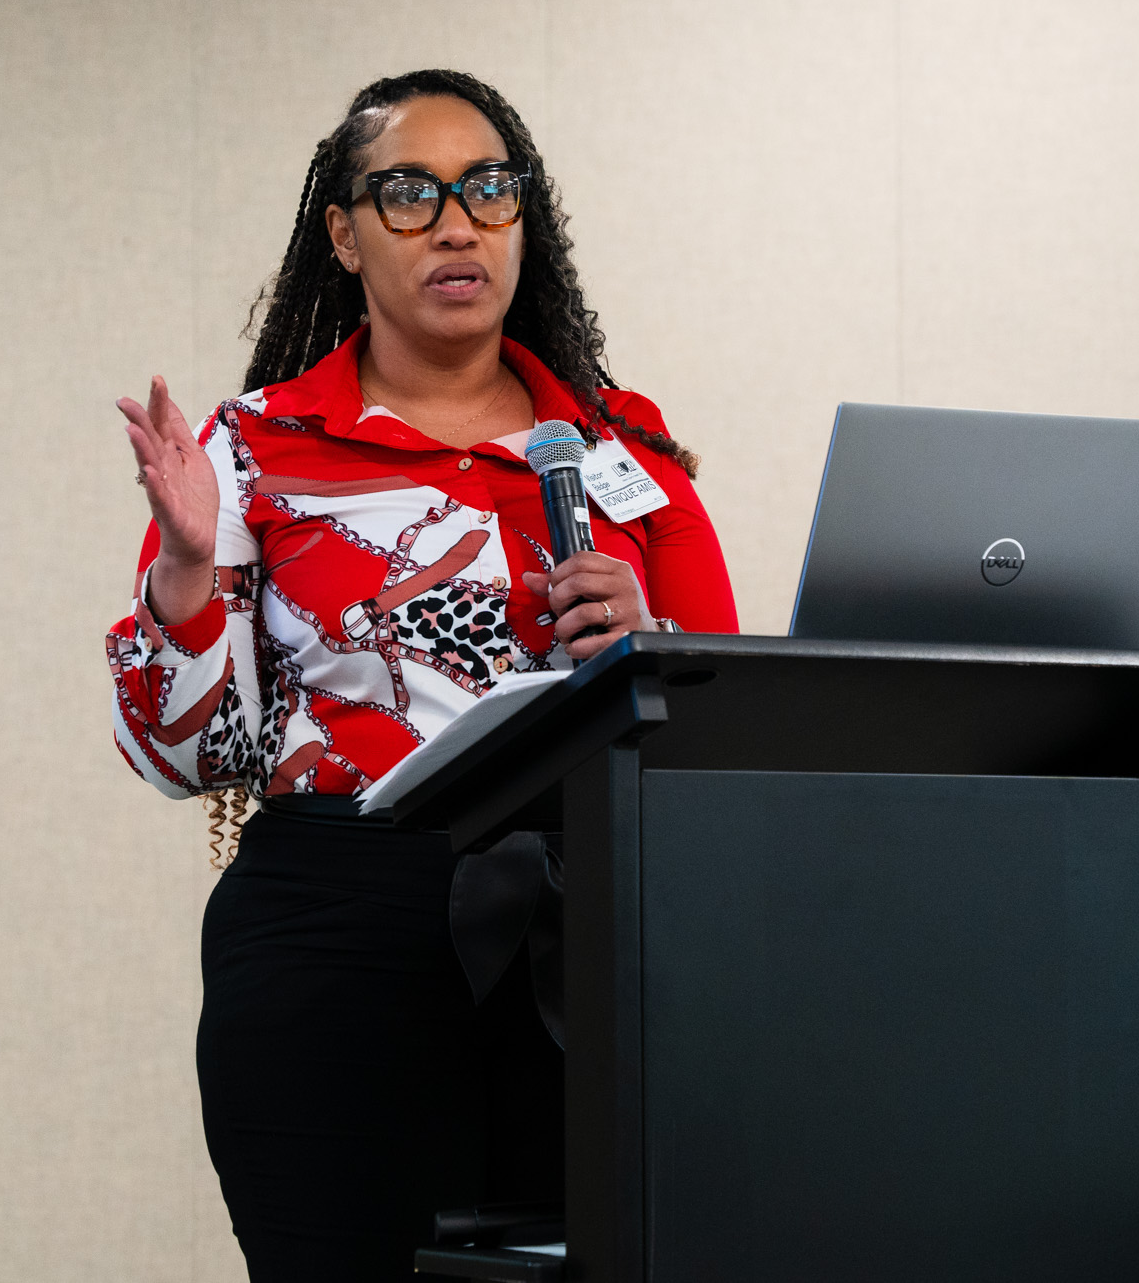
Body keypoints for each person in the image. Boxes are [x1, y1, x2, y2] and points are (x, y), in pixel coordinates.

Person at [105, 69, 738, 1281]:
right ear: (342, 234)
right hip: (336, 927)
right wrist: (190, 569)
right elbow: (185, 758)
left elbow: (722, 734)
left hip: (592, 921)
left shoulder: (619, 442)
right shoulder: (253, 450)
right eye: (409, 193)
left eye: (487, 189)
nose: (456, 221)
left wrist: (644, 638)